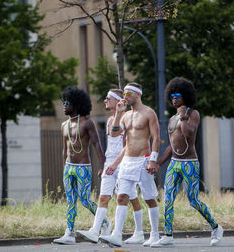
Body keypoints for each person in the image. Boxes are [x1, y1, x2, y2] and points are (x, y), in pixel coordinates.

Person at [150, 77, 224, 247]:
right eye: (172, 95)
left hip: (190, 163)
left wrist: (183, 116)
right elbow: (170, 145)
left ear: (186, 96)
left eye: (178, 95)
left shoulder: (193, 114)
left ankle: (216, 227)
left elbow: (189, 133)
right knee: (168, 198)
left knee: (193, 200)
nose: (174, 98)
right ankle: (168, 235)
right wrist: (159, 163)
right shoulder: (172, 119)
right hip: (174, 163)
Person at [77, 89, 145, 244]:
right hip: (110, 163)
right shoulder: (110, 121)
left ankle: (139, 232)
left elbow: (128, 145)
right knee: (104, 196)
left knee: (130, 197)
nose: (105, 101)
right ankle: (95, 230)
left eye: (108, 98)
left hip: (124, 162)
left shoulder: (129, 119)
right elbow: (113, 136)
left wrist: (116, 164)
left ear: (117, 101)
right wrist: (107, 164)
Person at [99, 82, 160, 247]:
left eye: (128, 94)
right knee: (121, 197)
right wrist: (118, 113)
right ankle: (117, 235)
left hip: (144, 159)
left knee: (149, 198)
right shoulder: (126, 115)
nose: (125, 97)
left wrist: (153, 159)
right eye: (124, 94)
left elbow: (156, 137)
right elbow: (114, 133)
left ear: (137, 95)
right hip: (127, 161)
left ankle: (154, 234)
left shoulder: (148, 113)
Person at [53, 86, 106, 245]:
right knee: (70, 200)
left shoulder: (87, 122)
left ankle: (105, 223)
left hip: (83, 167)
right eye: (63, 102)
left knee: (84, 200)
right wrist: (64, 168)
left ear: (75, 104)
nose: (64, 105)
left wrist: (103, 166)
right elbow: (64, 150)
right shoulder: (63, 125)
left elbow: (97, 144)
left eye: (67, 102)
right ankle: (69, 233)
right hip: (69, 168)